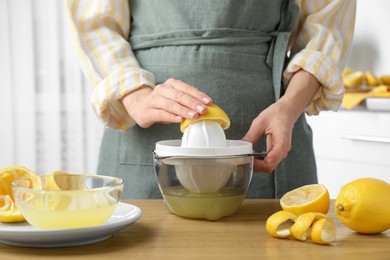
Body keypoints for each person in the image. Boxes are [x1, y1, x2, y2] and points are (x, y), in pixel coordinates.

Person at [65, 0, 356, 199]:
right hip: (143, 134)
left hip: (272, 124)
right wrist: (136, 97)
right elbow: (96, 25)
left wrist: (289, 106)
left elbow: (327, 26)